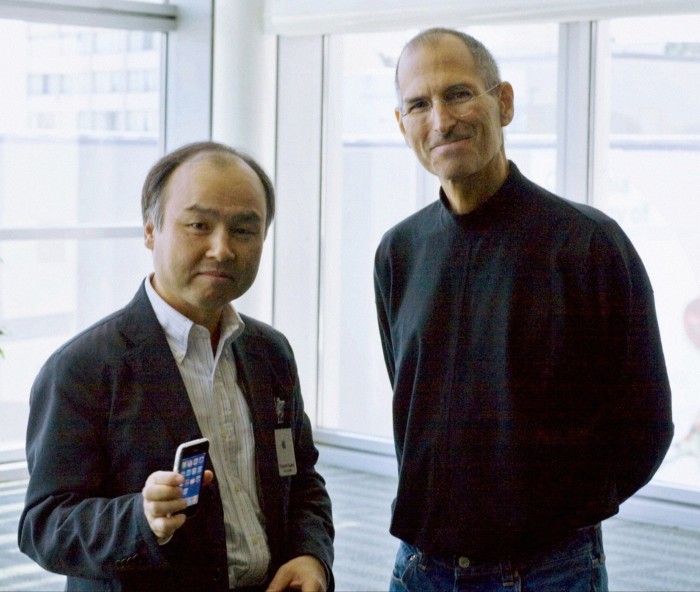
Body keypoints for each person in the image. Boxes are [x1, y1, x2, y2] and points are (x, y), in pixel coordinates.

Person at [374, 27, 673, 592]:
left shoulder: (587, 244)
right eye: (419, 104)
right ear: (402, 125)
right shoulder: (399, 251)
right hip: (419, 567)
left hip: (546, 570)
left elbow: (647, 420)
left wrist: (559, 512)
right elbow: (412, 396)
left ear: (503, 102)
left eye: (459, 94)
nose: (441, 120)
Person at [18, 141, 334, 592]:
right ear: (151, 231)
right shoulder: (84, 368)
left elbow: (302, 480)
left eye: (245, 230)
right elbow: (44, 525)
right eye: (198, 225)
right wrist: (141, 518)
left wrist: (310, 556)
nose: (221, 249)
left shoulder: (270, 353)